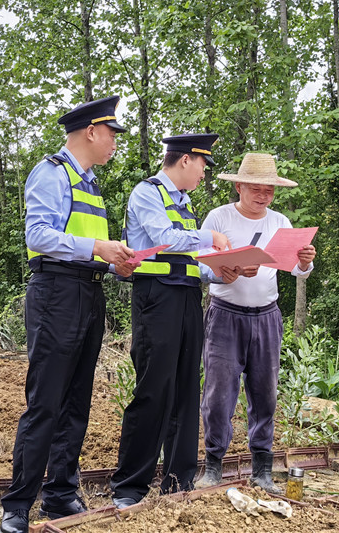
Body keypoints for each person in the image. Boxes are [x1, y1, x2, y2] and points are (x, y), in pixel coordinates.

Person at [0, 96, 137, 533]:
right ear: (91, 131)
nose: (116, 142)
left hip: (88, 293)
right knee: (46, 402)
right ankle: (18, 504)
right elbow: (38, 235)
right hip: (56, 294)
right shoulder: (51, 173)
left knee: (77, 401)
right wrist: (98, 248)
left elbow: (85, 243)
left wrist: (114, 261)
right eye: (112, 134)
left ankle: (60, 494)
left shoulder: (91, 183)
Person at [110, 133, 235, 508]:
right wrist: (210, 237)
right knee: (153, 389)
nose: (203, 174)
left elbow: (189, 262)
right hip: (156, 299)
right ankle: (129, 487)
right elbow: (165, 240)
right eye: (202, 165)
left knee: (184, 392)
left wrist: (218, 274)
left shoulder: (185, 203)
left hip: (186, 299)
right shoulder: (147, 193)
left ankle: (178, 483)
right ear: (185, 161)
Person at [194, 152, 316, 493]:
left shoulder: (280, 222)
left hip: (267, 316)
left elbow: (296, 269)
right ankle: (213, 465)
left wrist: (305, 261)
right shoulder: (218, 219)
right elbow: (201, 267)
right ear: (239, 187)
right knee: (218, 394)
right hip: (225, 315)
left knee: (265, 394)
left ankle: (262, 467)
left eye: (269, 191)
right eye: (256, 189)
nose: (263, 196)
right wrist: (228, 271)